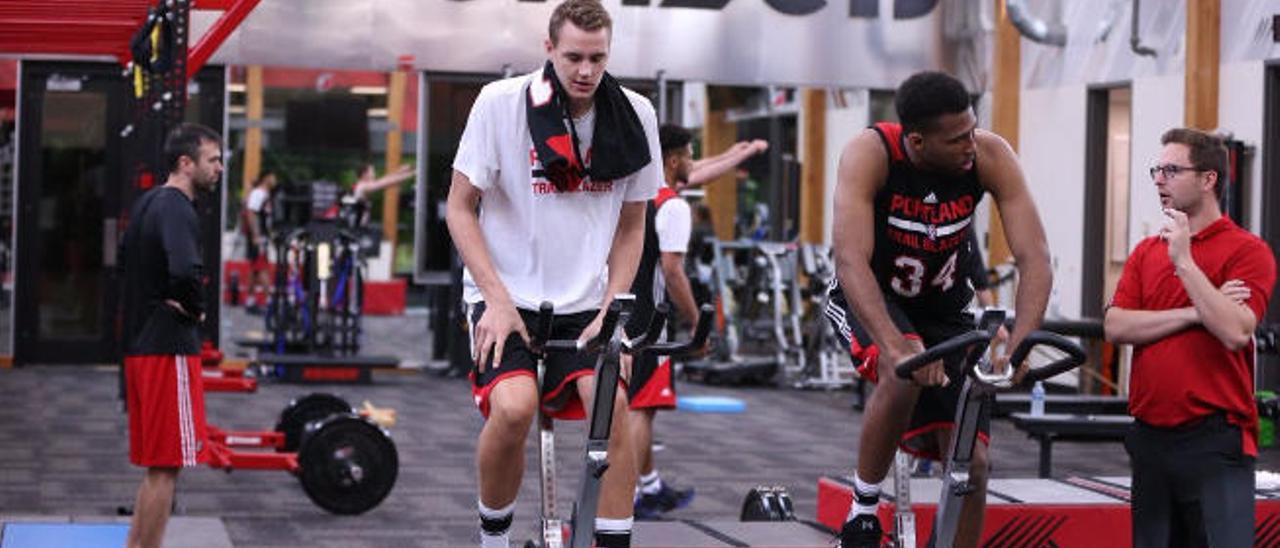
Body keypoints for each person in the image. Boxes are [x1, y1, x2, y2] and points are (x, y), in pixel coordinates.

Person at [443, 1, 662, 546]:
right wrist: (495, 300)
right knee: (515, 409)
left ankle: (612, 538)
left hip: (586, 302)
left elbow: (633, 225)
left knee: (610, 411)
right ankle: (493, 538)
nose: (585, 71)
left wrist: (616, 303)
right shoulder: (501, 104)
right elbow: (458, 207)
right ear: (548, 50)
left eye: (597, 58)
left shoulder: (636, 114)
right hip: (506, 295)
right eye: (573, 58)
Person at [825, 71, 1051, 548]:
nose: (971, 144)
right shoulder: (871, 154)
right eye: (957, 139)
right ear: (917, 141)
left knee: (973, 462)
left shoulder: (989, 155)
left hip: (945, 310)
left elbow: (1035, 258)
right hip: (872, 295)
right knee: (902, 368)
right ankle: (863, 511)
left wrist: (1021, 341)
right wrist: (895, 343)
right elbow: (849, 260)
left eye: (972, 129)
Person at [1104, 128, 1275, 548]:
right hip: (1150, 439)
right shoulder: (1146, 251)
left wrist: (1184, 261)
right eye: (1157, 170)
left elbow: (1235, 331)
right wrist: (1197, 312)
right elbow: (1116, 326)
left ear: (1208, 179)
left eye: (1171, 170)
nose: (1159, 179)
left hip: (1214, 440)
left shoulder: (1247, 251)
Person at [625, 124, 765, 520]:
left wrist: (738, 154)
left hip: (623, 312)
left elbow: (698, 169)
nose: (694, 161)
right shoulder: (674, 208)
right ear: (672, 160)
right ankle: (636, 493)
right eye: (688, 154)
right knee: (641, 408)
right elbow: (673, 272)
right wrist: (697, 327)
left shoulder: (639, 192)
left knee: (639, 405)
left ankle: (648, 487)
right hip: (649, 318)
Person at [119, 123, 223, 548]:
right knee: (167, 468)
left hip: (142, 347)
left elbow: (124, 259)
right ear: (186, 163)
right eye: (212, 160)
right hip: (168, 350)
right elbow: (185, 270)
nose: (219, 169)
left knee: (157, 468)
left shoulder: (147, 204)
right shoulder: (179, 206)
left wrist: (157, 295)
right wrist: (194, 307)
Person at [242, 170, 276, 313]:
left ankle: (250, 300)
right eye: (273, 176)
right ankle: (270, 301)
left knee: (255, 269)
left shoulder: (266, 195)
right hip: (258, 237)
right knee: (262, 267)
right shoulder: (258, 194)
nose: (275, 180)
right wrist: (256, 235)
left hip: (262, 236)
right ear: (266, 178)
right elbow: (250, 212)